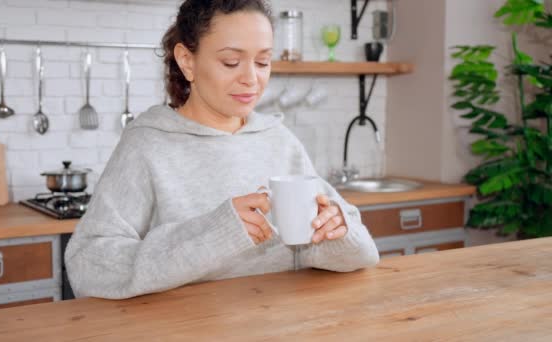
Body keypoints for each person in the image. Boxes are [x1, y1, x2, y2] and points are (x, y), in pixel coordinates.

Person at [65, 0, 379, 300]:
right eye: (231, 62)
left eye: (263, 62)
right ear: (187, 60)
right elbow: (88, 266)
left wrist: (335, 232)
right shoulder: (147, 145)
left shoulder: (279, 140)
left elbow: (364, 253)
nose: (251, 79)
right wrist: (215, 234)